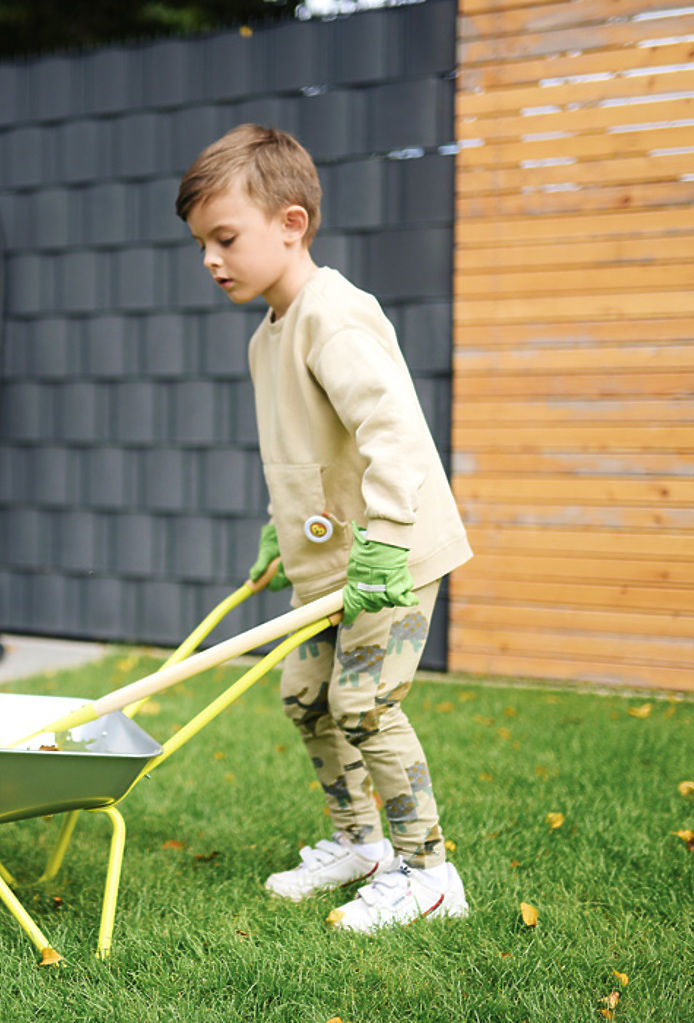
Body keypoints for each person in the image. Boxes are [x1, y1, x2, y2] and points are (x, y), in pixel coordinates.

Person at [175, 124, 473, 933]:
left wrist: (384, 537)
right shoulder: (267, 336)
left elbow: (393, 432)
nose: (211, 259)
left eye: (225, 237)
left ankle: (429, 873)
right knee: (306, 697)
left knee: (364, 701)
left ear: (291, 223)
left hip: (390, 552)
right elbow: (303, 454)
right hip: (332, 561)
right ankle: (360, 842)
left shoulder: (333, 317)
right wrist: (282, 531)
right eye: (202, 244)